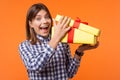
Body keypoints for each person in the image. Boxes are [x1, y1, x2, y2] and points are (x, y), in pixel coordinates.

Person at [18, 3, 99, 80]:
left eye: (47, 17)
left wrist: (79, 51)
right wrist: (56, 39)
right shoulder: (25, 46)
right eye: (38, 18)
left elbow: (70, 73)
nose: (45, 21)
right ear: (31, 23)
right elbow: (36, 67)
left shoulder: (62, 42)